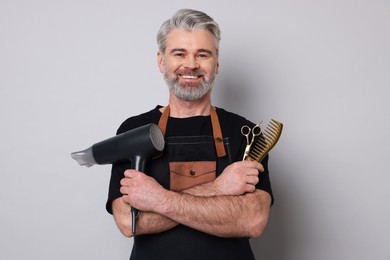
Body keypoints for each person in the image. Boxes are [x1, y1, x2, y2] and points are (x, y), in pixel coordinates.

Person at [106, 8, 273, 260]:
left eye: (202, 54)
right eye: (179, 53)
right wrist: (220, 187)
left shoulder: (245, 133)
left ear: (216, 64)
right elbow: (130, 222)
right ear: (162, 61)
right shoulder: (133, 131)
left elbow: (252, 219)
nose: (191, 64)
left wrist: (157, 199)